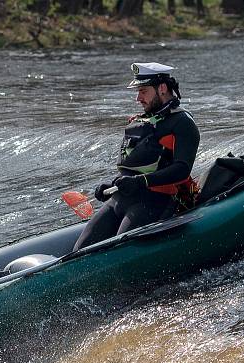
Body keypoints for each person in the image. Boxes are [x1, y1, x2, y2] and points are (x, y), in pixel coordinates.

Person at [73, 62, 200, 251]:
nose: (138, 98)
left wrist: (140, 182)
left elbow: (182, 170)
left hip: (154, 202)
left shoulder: (183, 123)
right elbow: (133, 166)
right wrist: (113, 184)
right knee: (80, 250)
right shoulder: (141, 121)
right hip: (120, 199)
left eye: (143, 91)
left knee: (120, 252)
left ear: (162, 88)